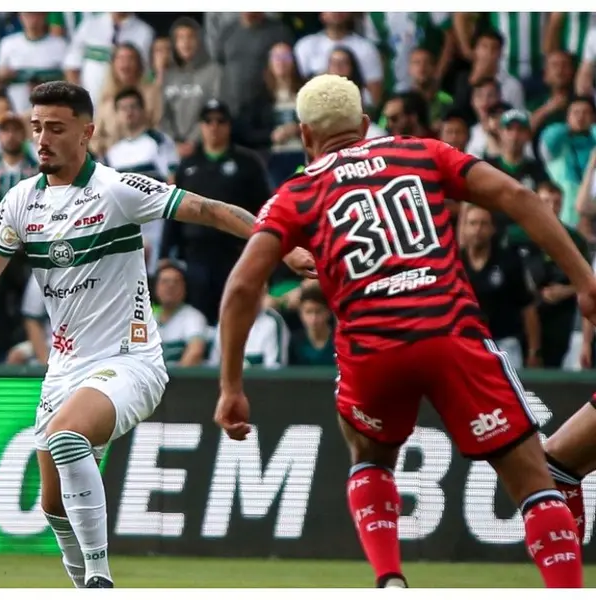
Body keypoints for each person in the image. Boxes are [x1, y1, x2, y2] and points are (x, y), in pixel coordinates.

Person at [215, 74, 594, 589]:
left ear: (304, 135)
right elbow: (517, 196)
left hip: (373, 351)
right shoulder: (421, 154)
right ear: (366, 125)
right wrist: (584, 280)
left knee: (369, 456)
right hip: (450, 334)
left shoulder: (296, 193)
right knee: (533, 480)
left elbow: (240, 288)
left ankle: (390, 578)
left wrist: (232, 387)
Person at [0, 80, 315, 589]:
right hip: (64, 370)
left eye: (55, 128)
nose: (42, 139)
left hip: (129, 360)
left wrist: (281, 244)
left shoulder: (117, 190)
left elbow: (211, 210)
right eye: (36, 127)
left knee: (67, 439)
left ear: (87, 132)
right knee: (53, 505)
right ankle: (84, 583)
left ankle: (99, 580)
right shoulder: (20, 202)